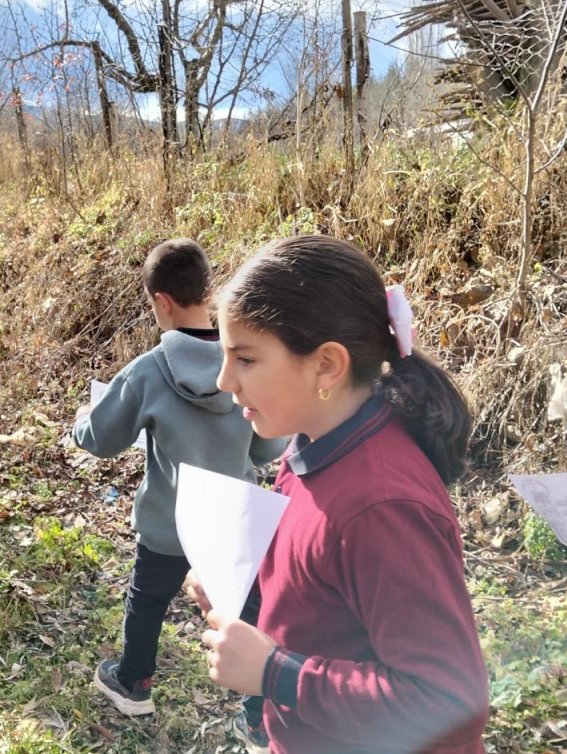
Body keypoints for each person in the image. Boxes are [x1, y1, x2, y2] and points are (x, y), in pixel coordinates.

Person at [189, 235, 489, 754]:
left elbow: (449, 702)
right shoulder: (314, 442)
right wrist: (245, 594)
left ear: (326, 365)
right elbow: (322, 589)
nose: (223, 380)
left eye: (246, 359)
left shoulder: (383, 507)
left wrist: (275, 672)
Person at [71, 238, 286, 723]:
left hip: (170, 523)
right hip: (234, 518)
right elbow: (268, 447)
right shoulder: (246, 361)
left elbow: (101, 438)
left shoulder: (148, 371)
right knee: (247, 609)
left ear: (161, 301)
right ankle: (259, 713)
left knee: (147, 601)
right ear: (206, 291)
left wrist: (82, 420)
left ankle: (134, 683)